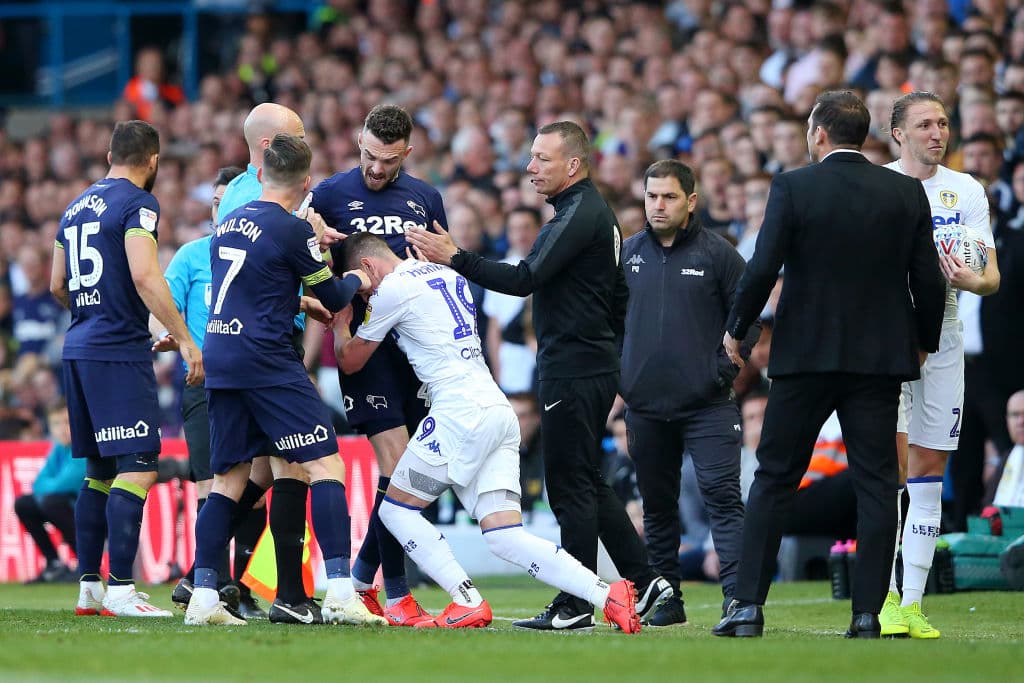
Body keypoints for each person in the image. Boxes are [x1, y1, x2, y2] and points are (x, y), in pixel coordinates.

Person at [407, 121, 670, 631]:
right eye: (530, 157)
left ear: (572, 165)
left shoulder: (578, 214)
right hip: (586, 365)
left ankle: (575, 604)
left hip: (573, 369)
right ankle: (644, 577)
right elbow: (618, 298)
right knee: (586, 480)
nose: (530, 167)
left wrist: (454, 257)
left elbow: (524, 278)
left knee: (569, 486)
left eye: (541, 159)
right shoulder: (593, 213)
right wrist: (606, 356)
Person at [712, 91, 946, 639]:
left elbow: (763, 265)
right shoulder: (905, 191)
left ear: (818, 133)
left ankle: (746, 607)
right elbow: (928, 279)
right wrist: (923, 342)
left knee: (773, 479)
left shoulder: (794, 186)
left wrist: (736, 328)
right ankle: (866, 615)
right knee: (875, 483)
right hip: (877, 361)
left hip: (805, 358)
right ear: (863, 135)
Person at [334, 232, 641, 633]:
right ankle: (610, 595)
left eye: (362, 292)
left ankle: (467, 600)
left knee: (395, 510)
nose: (363, 302)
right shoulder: (447, 275)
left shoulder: (392, 289)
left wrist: (342, 325)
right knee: (505, 536)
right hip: (496, 408)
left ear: (368, 268)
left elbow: (352, 360)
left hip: (459, 411)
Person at [183, 133, 385, 627]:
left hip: (221, 356)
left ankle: (204, 597)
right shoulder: (293, 230)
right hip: (267, 359)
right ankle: (340, 590)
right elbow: (336, 296)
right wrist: (361, 277)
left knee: (229, 480)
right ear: (306, 182)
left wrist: (295, 300)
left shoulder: (227, 223)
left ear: (262, 176)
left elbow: (248, 287)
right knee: (325, 467)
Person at [51, 120, 204, 618]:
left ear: (108, 154)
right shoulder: (139, 203)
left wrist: (96, 308)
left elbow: (58, 284)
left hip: (78, 345)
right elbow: (144, 273)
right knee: (138, 465)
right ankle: (120, 589)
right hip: (116, 348)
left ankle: (90, 588)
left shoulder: (74, 207)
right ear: (153, 160)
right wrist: (184, 339)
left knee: (98, 472)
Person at [310, 104, 442, 626]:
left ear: (406, 152)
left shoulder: (425, 197)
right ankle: (397, 596)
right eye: (368, 155)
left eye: (387, 160)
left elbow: (439, 263)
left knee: (411, 470)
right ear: (357, 141)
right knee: (399, 461)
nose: (375, 168)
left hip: (414, 349)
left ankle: (363, 579)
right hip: (363, 347)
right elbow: (306, 266)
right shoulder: (327, 196)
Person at [881, 91, 1001, 639]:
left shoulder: (966, 190)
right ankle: (880, 597)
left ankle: (912, 603)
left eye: (944, 123)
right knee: (890, 472)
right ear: (898, 134)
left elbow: (991, 275)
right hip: (886, 340)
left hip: (946, 336)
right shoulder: (878, 185)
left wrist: (974, 280)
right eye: (925, 124)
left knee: (930, 473)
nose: (938, 133)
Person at [620, 159, 758, 626]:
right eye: (652, 196)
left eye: (669, 196)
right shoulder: (627, 254)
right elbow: (608, 322)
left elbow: (749, 315)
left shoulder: (718, 254)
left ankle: (739, 599)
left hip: (708, 405)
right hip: (644, 406)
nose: (659, 205)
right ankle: (668, 599)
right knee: (657, 507)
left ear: (691, 201)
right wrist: (624, 375)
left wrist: (723, 367)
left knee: (722, 497)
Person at [198, 102, 321, 623]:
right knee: (301, 465)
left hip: (228, 347)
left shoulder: (234, 206)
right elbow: (280, 277)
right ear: (270, 147)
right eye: (294, 134)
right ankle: (296, 593)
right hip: (269, 348)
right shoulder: (272, 202)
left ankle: (200, 582)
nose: (300, 139)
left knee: (245, 475)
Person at [155, 166, 274, 619]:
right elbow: (160, 309)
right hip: (203, 383)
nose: (224, 208)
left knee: (258, 484)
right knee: (212, 483)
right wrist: (176, 338)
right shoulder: (191, 256)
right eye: (218, 201)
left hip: (255, 381)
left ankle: (227, 583)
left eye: (232, 200)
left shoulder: (263, 254)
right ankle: (212, 583)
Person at [15, 400, 84, 584]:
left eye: (67, 422)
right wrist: (51, 486)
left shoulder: (84, 447)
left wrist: (51, 486)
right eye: (56, 424)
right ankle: (54, 564)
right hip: (70, 506)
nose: (62, 429)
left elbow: (67, 483)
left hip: (94, 512)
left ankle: (86, 566)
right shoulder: (59, 448)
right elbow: (39, 484)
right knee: (24, 503)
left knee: (51, 502)